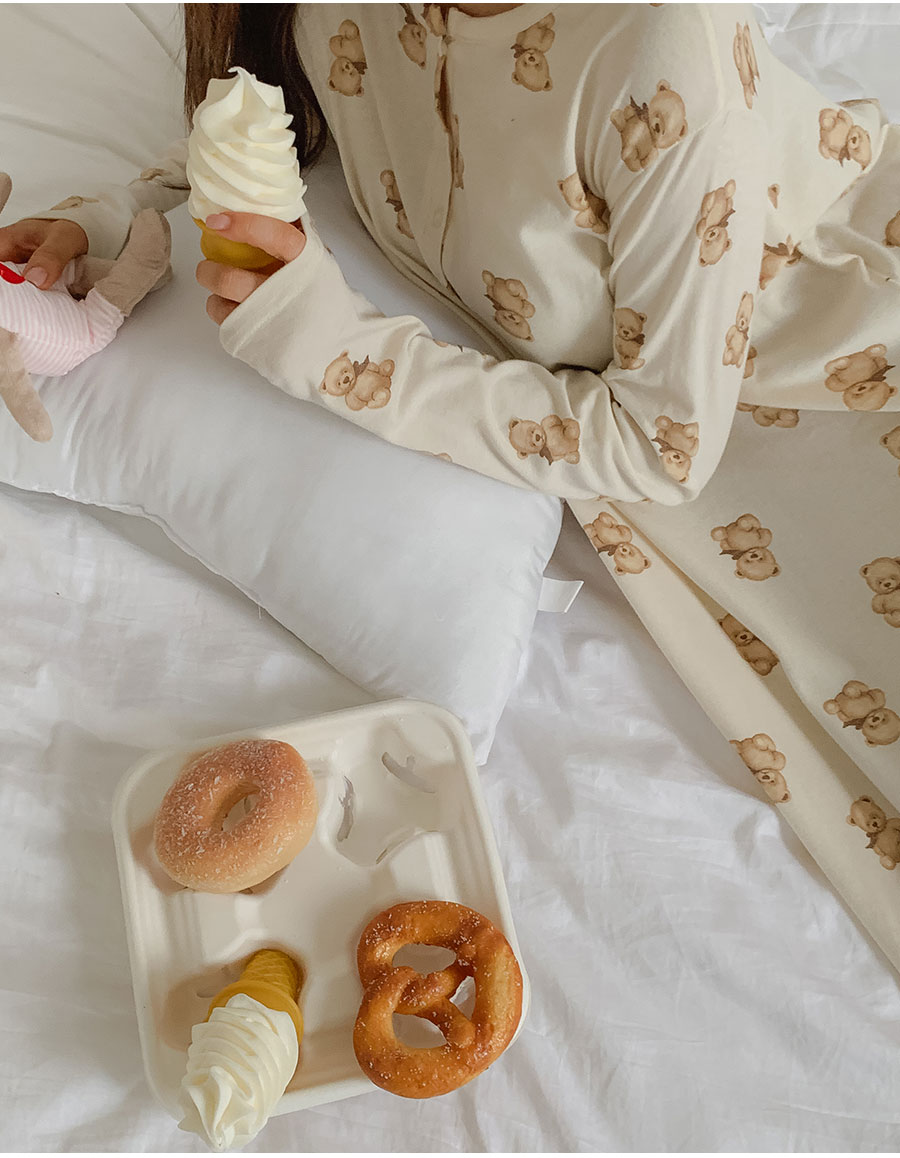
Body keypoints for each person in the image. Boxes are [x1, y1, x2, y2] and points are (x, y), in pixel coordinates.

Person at [3, 3, 899, 967]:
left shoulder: (658, 47)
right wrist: (111, 221)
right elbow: (296, 126)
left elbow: (661, 448)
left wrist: (338, 350)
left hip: (814, 365)